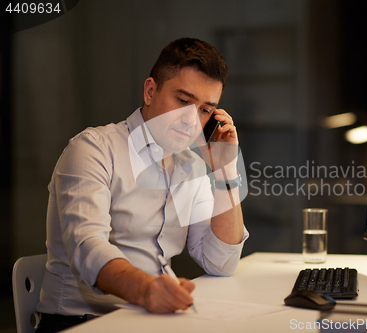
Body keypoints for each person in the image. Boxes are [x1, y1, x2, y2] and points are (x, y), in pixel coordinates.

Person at [35, 37, 248, 332]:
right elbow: (88, 248)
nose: (191, 119)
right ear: (150, 91)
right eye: (183, 101)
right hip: (82, 322)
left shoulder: (193, 165)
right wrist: (148, 290)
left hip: (152, 320)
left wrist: (225, 171)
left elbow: (220, 262)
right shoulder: (92, 149)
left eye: (205, 110)